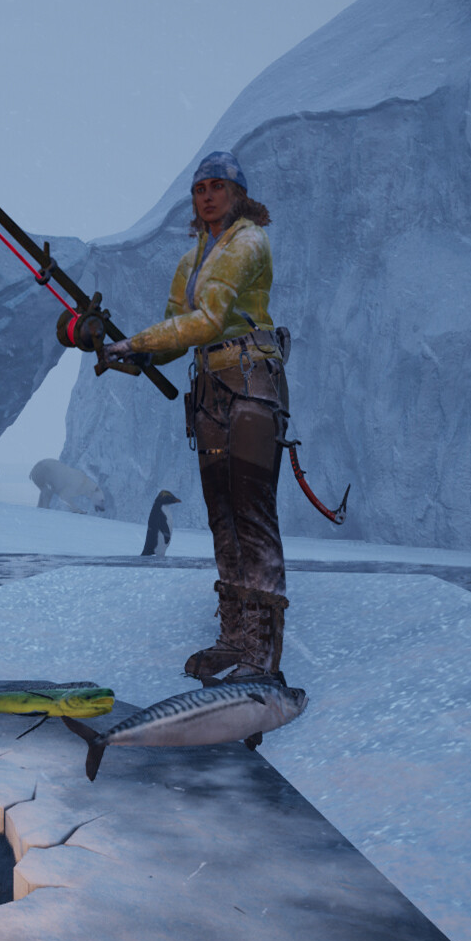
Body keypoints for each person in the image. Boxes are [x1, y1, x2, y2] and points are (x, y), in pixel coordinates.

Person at [104, 152, 291, 685]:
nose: (206, 195)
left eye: (217, 186)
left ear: (239, 195)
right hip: (209, 391)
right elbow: (174, 332)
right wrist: (128, 350)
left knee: (252, 516)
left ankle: (264, 652)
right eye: (199, 188)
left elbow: (207, 321)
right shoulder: (191, 261)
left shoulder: (249, 241)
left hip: (252, 387)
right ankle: (235, 634)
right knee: (221, 518)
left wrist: (137, 342)